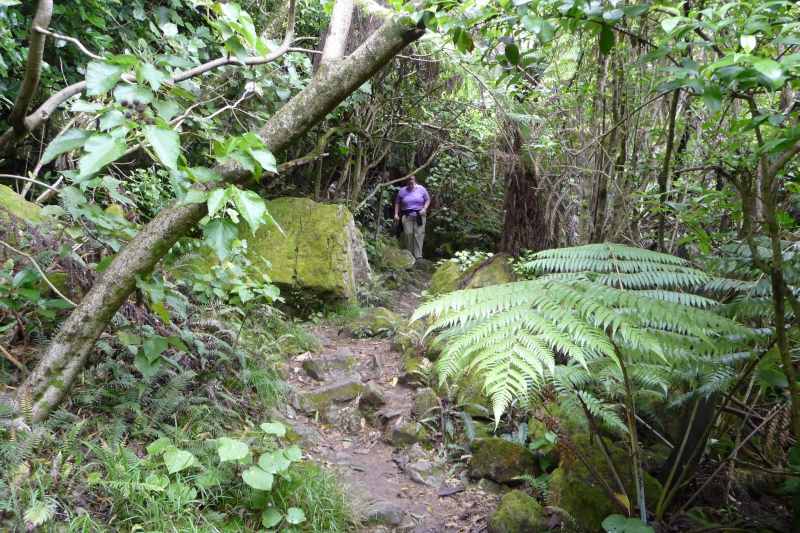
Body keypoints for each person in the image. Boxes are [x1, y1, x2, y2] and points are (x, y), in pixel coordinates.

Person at [394, 175, 430, 260]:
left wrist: (424, 208)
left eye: (412, 181)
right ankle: (409, 254)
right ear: (407, 182)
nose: (411, 183)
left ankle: (418, 256)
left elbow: (427, 199)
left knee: (419, 234)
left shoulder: (421, 189)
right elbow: (397, 203)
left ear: (415, 181)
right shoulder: (402, 191)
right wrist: (396, 214)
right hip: (407, 215)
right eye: (409, 181)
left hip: (419, 215)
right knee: (408, 233)